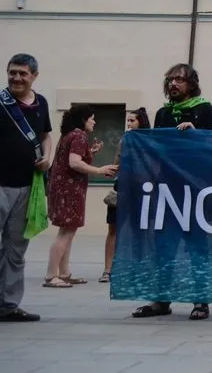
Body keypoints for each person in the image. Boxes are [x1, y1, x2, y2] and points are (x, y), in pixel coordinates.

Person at [132, 63, 212, 321]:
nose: (173, 84)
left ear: (191, 83)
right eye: (170, 80)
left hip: (197, 190)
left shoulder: (205, 109)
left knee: (197, 247)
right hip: (167, 191)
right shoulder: (162, 114)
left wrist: (197, 135)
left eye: (179, 80)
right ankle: (161, 300)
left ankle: (200, 301)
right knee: (164, 246)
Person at [0, 54, 52, 322]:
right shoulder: (1, 102)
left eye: (22, 73)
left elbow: (45, 135)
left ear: (34, 75)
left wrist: (47, 157)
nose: (16, 78)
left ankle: (8, 305)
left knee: (16, 247)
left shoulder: (41, 103)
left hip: (27, 186)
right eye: (12, 72)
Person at [43, 104, 117, 288]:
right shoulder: (79, 135)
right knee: (66, 232)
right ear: (83, 119)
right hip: (70, 190)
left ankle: (64, 273)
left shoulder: (69, 134)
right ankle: (51, 275)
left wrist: (90, 152)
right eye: (91, 117)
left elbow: (70, 159)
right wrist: (99, 170)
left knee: (67, 231)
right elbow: (74, 163)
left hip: (60, 188)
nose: (94, 121)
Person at [100, 107, 150, 283]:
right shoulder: (125, 139)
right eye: (127, 121)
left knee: (139, 230)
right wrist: (107, 170)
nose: (128, 124)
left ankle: (137, 267)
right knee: (113, 228)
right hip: (121, 186)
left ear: (140, 122)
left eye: (132, 121)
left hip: (141, 189)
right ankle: (108, 270)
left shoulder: (149, 141)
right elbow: (117, 161)